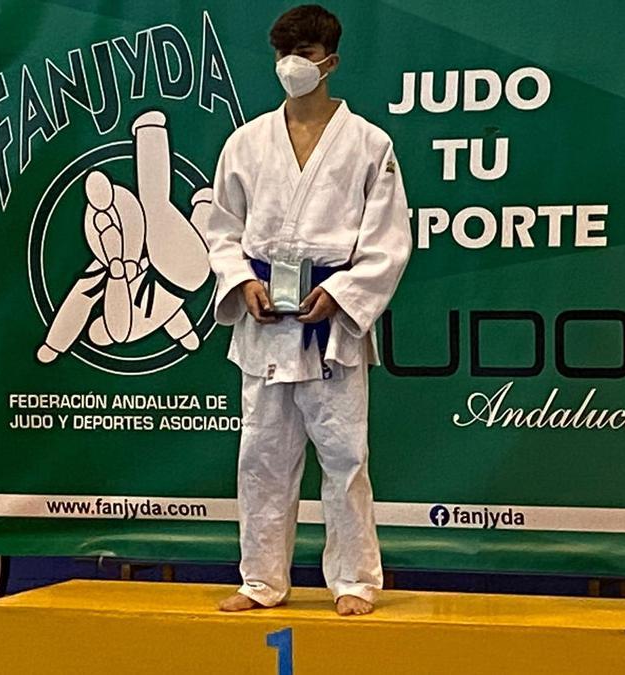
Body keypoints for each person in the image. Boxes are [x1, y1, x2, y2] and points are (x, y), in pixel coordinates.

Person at [204, 4, 411, 616]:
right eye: (283, 54)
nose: (292, 65)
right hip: (265, 319)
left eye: (306, 53)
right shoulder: (245, 143)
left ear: (332, 62)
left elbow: (388, 241)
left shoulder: (371, 144)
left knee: (345, 456)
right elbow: (221, 229)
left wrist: (344, 294)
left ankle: (354, 581)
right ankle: (262, 580)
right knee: (262, 454)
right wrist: (241, 281)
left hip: (331, 325)